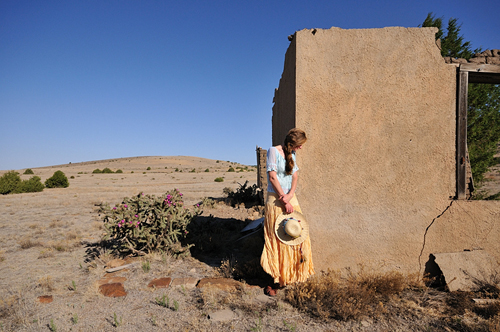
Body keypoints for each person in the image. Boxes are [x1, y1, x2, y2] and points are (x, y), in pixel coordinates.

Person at [260, 128, 315, 294]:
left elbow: (295, 177)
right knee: (276, 239)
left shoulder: (292, 155)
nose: (300, 148)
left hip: (290, 199)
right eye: (299, 145)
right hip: (275, 199)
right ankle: (275, 280)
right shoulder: (273, 151)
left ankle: (293, 275)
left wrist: (290, 196)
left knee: (296, 235)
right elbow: (272, 177)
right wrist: (283, 197)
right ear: (293, 143)